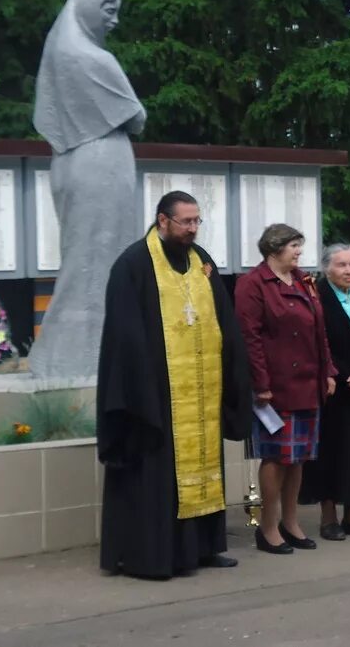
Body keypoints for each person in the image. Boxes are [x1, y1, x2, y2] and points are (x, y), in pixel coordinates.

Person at [96, 191, 251, 579]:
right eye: (186, 222)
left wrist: (234, 372)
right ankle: (155, 555)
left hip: (201, 392)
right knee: (156, 473)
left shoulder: (202, 263)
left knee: (205, 466)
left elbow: (224, 322)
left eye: (198, 221)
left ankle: (203, 547)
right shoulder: (133, 264)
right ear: (163, 220)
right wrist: (143, 389)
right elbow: (124, 336)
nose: (193, 229)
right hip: (156, 396)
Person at [31, 0, 147, 381]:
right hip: (103, 160)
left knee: (83, 259)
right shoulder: (94, 59)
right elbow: (136, 117)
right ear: (86, 7)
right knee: (101, 260)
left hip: (69, 160)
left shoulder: (59, 50)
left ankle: (64, 354)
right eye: (108, 11)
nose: (113, 21)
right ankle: (84, 355)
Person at [234, 224, 337, 555]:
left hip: (308, 381)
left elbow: (319, 331)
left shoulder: (305, 282)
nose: (298, 252)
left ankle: (291, 523)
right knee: (276, 457)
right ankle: (267, 527)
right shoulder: (252, 285)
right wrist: (260, 384)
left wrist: (328, 371)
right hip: (276, 387)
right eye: (293, 246)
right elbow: (249, 338)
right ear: (273, 249)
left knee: (299, 458)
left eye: (299, 246)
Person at [299, 243, 350, 541]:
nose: (348, 270)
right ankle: (328, 517)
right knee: (331, 451)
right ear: (326, 268)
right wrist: (347, 374)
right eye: (341, 265)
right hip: (334, 387)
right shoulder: (317, 297)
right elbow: (319, 344)